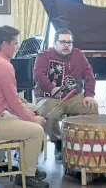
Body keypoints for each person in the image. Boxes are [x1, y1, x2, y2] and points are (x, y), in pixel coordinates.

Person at [0, 25, 49, 187]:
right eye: (15, 43)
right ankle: (26, 176)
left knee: (26, 119)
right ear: (5, 44)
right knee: (36, 131)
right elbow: (13, 101)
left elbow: (8, 100)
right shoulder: (2, 65)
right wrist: (34, 119)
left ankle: (28, 167)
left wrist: (27, 113)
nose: (17, 48)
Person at [33, 28, 98, 160]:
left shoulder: (78, 54)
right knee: (49, 115)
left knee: (92, 107)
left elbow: (89, 74)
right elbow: (38, 75)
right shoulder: (44, 56)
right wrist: (51, 88)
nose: (66, 45)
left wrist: (89, 94)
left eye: (69, 42)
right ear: (54, 42)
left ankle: (83, 142)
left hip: (74, 96)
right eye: (62, 42)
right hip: (49, 96)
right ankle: (58, 143)